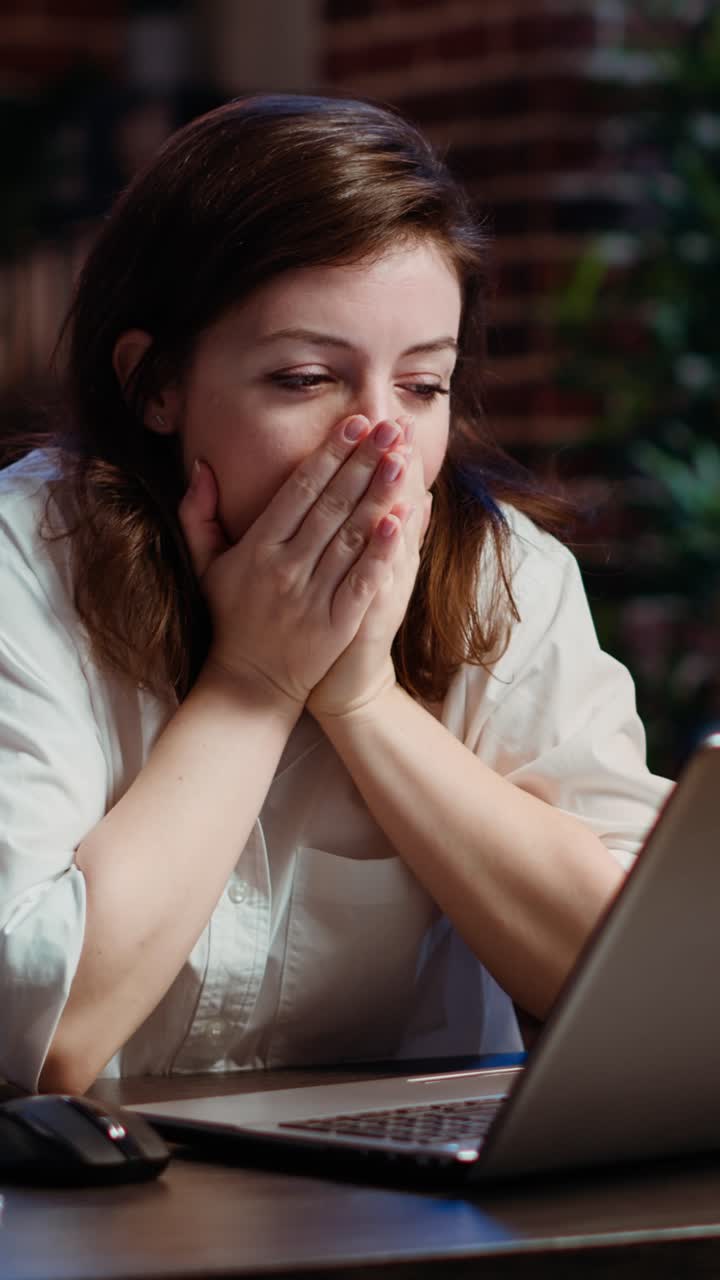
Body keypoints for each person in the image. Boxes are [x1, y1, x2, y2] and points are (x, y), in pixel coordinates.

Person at [0, 94, 669, 1095]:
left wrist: (363, 702)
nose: (382, 444)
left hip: (406, 1226)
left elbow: (646, 995)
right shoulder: (24, 559)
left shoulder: (506, 576)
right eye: (308, 378)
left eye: (423, 386)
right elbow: (40, 1031)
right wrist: (257, 679)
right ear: (153, 385)